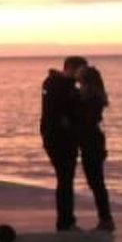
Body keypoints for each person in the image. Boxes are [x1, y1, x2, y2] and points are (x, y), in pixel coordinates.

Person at [65, 55, 114, 231]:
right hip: (93, 142)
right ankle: (105, 218)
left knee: (96, 182)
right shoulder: (93, 97)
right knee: (96, 182)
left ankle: (106, 219)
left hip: (91, 143)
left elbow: (84, 119)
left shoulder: (90, 99)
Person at [40, 64, 81, 229]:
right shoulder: (60, 86)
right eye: (80, 71)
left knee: (65, 180)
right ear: (71, 68)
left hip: (57, 137)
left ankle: (66, 220)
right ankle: (66, 221)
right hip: (60, 139)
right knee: (65, 180)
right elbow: (64, 110)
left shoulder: (55, 84)